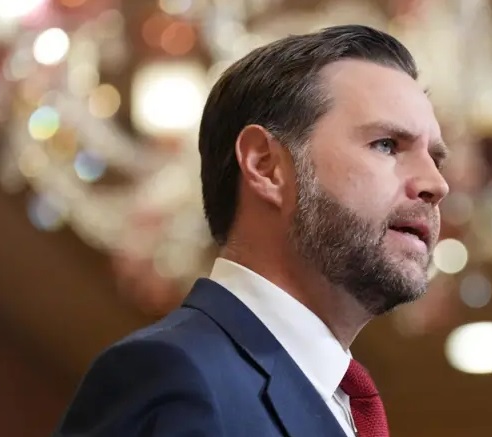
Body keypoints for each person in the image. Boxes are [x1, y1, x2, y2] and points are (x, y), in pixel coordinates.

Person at [53, 24, 449, 437]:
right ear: (265, 166)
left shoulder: (340, 404)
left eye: (436, 159)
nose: (437, 184)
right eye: (387, 144)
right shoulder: (173, 377)